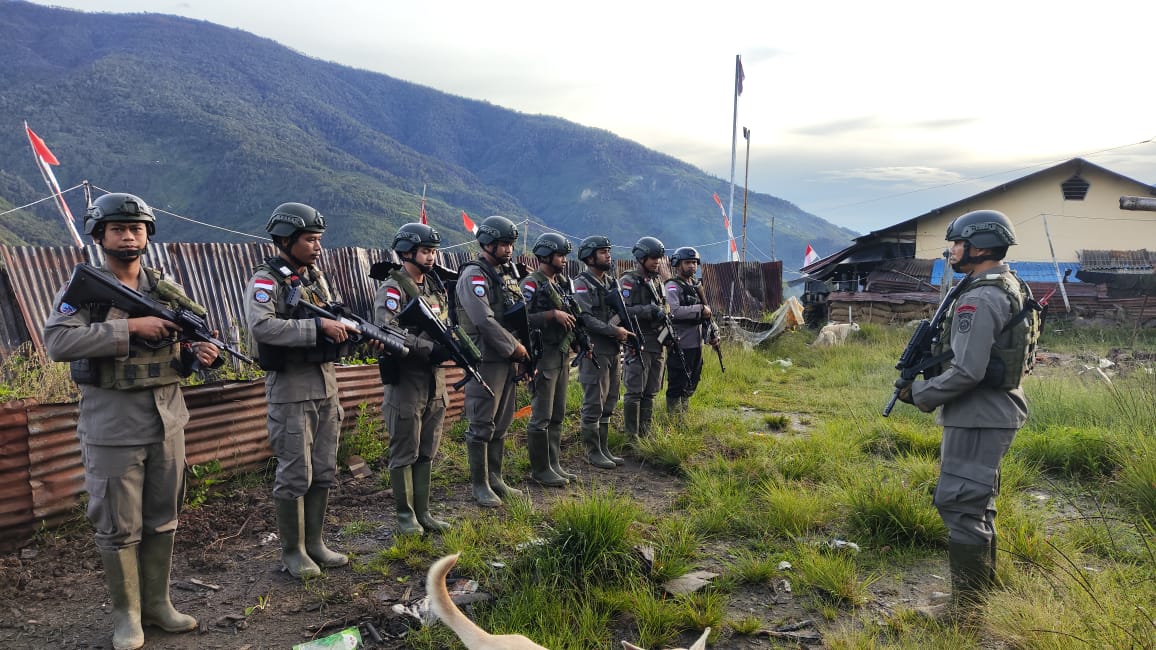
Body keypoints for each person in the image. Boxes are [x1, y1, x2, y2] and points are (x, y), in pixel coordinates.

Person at [44, 192, 219, 650]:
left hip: (167, 419)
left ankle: (158, 605)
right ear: (100, 236)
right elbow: (58, 343)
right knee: (119, 525)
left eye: (137, 228)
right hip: (112, 425)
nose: (129, 235)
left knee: (164, 518)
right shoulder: (84, 288)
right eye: (119, 229)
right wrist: (129, 330)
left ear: (148, 236)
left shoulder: (164, 288)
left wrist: (198, 352)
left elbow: (189, 341)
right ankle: (128, 618)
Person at [896, 209, 1036, 619]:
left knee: (959, 503)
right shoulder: (1001, 285)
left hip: (978, 414)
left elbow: (968, 371)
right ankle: (978, 599)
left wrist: (919, 392)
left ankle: (966, 610)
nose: (951, 250)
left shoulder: (980, 296)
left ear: (979, 246)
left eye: (956, 243)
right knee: (976, 503)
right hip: (987, 413)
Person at [245, 202, 352, 580]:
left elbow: (331, 313)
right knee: (296, 471)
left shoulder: (314, 278)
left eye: (319, 239)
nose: (317, 246)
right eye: (310, 239)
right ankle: (293, 550)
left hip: (324, 382)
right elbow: (263, 327)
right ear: (286, 239)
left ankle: (316, 543)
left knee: (323, 467)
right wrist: (316, 330)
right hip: (290, 387)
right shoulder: (266, 279)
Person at [373, 223, 454, 534]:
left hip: (435, 380)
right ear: (407, 252)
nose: (431, 257)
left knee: (427, 448)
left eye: (433, 251)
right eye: (425, 251)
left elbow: (444, 324)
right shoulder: (393, 288)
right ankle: (406, 517)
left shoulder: (434, 287)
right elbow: (386, 328)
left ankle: (424, 512)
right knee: (405, 448)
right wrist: (427, 347)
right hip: (406, 379)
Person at [454, 215, 530, 506]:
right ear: (487, 243)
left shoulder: (504, 273)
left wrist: (520, 350)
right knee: (482, 423)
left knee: (502, 421)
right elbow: (483, 320)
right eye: (503, 243)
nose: (509, 249)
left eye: (510, 243)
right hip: (486, 356)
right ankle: (480, 485)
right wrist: (515, 348)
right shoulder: (474, 275)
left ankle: (496, 478)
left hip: (507, 356)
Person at [520, 232, 579, 486]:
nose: (564, 260)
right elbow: (520, 319)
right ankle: (540, 469)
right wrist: (551, 315)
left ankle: (554, 463)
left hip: (562, 353)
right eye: (559, 255)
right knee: (541, 415)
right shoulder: (531, 283)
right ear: (545, 256)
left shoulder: (563, 283)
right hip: (543, 355)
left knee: (558, 413)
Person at [571, 236, 632, 469]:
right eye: (602, 251)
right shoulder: (582, 283)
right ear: (589, 257)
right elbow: (584, 318)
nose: (608, 255)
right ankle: (592, 451)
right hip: (594, 350)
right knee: (594, 401)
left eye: (608, 250)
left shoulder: (610, 282)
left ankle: (603, 448)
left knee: (610, 400)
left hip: (613, 350)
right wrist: (613, 330)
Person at [619, 236, 669, 437]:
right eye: (652, 257)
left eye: (658, 258)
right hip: (639, 341)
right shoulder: (628, 281)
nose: (657, 261)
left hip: (657, 341)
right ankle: (632, 436)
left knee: (651, 391)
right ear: (641, 257)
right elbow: (622, 312)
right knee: (635, 391)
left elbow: (663, 305)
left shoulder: (657, 279)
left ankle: (645, 432)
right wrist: (647, 310)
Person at [664, 247, 720, 413]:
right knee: (677, 381)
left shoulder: (696, 286)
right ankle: (673, 418)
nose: (692, 266)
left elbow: (707, 314)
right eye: (687, 262)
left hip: (697, 341)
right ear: (678, 264)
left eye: (694, 263)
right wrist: (699, 309)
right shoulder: (673, 286)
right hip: (680, 341)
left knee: (692, 379)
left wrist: (713, 334)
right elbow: (674, 311)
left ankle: (683, 412)